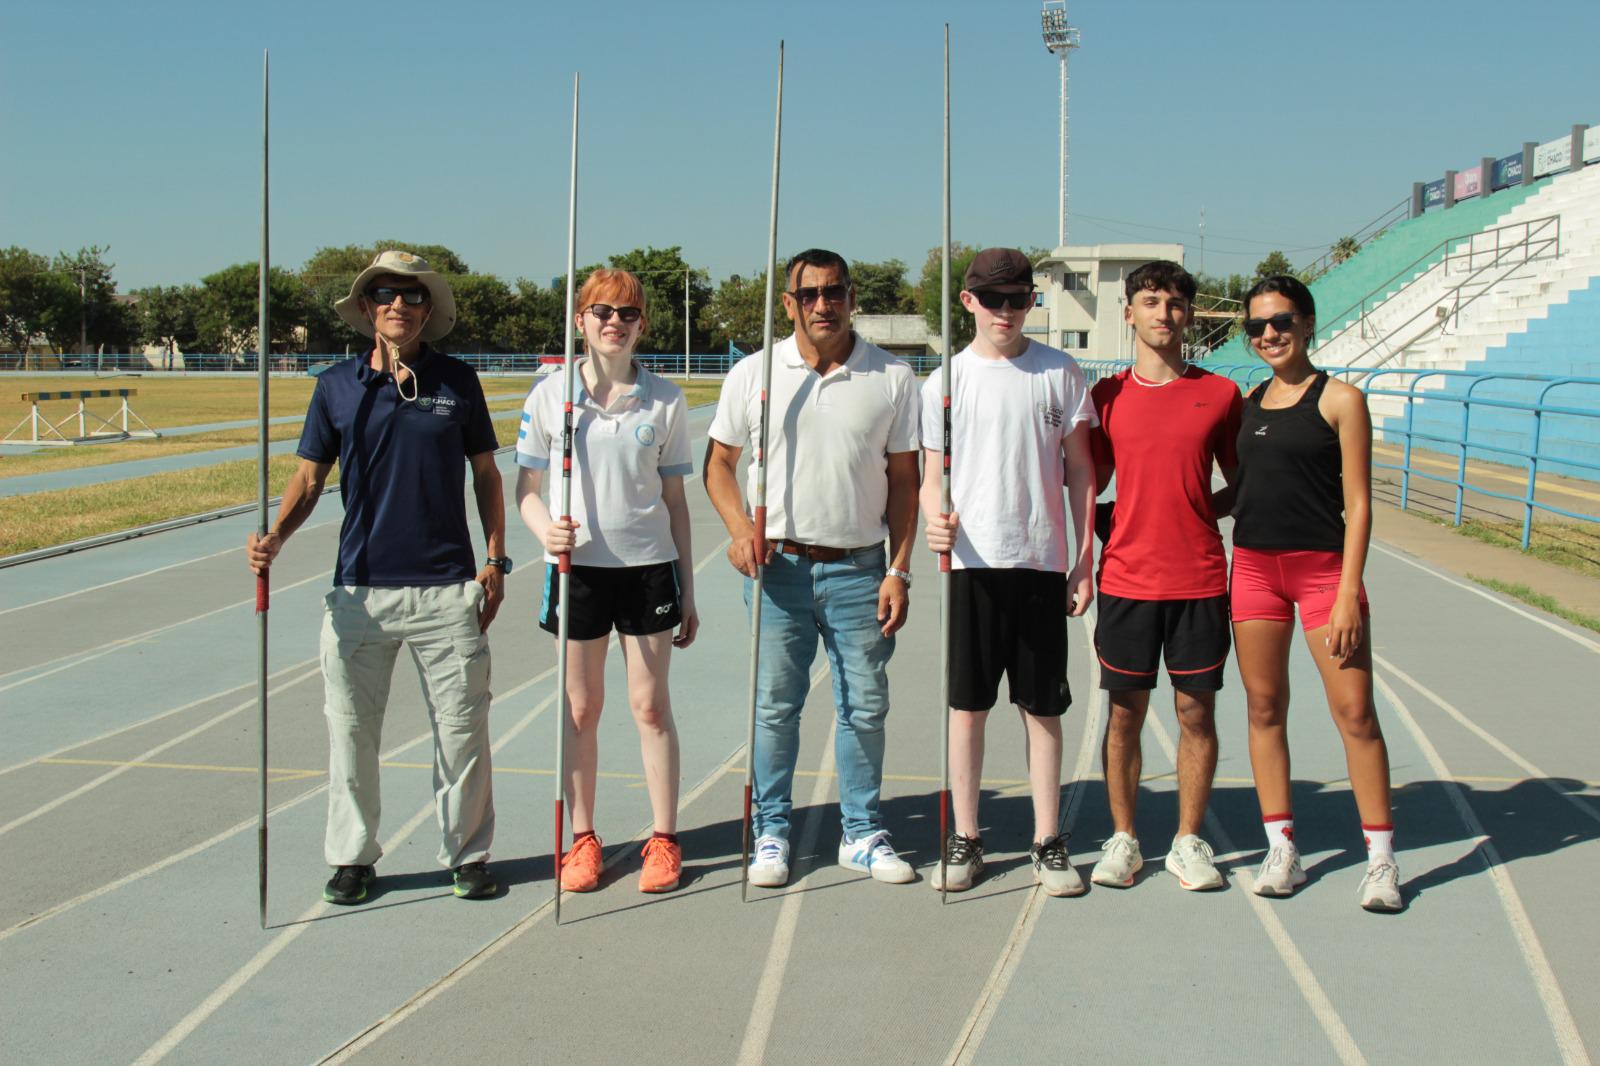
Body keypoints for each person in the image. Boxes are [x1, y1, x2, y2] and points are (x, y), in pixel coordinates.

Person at [245, 249, 505, 904]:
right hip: (360, 590)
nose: (399, 304)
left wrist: (496, 558)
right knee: (352, 733)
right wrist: (275, 537)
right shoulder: (336, 387)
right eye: (385, 293)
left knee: (462, 731)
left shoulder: (457, 382)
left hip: (446, 587)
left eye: (412, 295)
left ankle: (467, 854)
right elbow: (309, 477)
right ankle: (353, 858)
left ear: (428, 309)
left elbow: (486, 475)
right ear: (366, 308)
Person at [705, 248, 920, 888]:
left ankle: (861, 831)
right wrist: (741, 530)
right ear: (789, 302)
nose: (822, 305)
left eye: (835, 292)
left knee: (865, 707)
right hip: (780, 571)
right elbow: (719, 464)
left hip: (859, 569)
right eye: (809, 295)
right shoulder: (755, 373)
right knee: (775, 707)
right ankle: (771, 831)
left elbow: (906, 483)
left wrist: (899, 570)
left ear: (852, 296)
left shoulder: (893, 377)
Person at [919, 248, 1097, 895]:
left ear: (1031, 303)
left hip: (1042, 561)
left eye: (1018, 299)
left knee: (1042, 708)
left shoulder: (1059, 373)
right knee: (967, 709)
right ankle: (966, 836)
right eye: (993, 299)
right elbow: (931, 472)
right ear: (968, 302)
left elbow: (1080, 470)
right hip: (973, 563)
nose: (1006, 311)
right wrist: (935, 515)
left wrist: (1084, 558)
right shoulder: (943, 383)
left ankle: (1048, 840)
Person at [516, 268, 698, 894]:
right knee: (580, 707)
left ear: (642, 323)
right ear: (580, 321)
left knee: (649, 706)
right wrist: (545, 530)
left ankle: (664, 838)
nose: (614, 322)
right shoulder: (550, 397)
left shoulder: (667, 400)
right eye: (601, 311)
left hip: (647, 570)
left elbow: (675, 502)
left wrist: (688, 591)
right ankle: (584, 839)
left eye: (626, 313)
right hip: (578, 571)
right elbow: (527, 490)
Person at [1230, 274, 1400, 912]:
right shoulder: (1248, 403)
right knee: (1264, 707)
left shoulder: (1340, 400)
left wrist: (1351, 589)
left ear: (1306, 323)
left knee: (1355, 713)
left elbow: (1358, 505)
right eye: (1256, 326)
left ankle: (1381, 860)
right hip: (1252, 571)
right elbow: (1246, 492)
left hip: (1325, 574)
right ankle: (1283, 848)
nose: (1268, 334)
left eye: (1280, 321)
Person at [1087, 260, 1242, 893]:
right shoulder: (1105, 398)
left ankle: (1187, 841)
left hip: (1200, 579)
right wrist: (1106, 525)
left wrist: (1207, 510)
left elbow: (1245, 478)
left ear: (1189, 314)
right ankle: (1124, 839)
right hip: (1126, 580)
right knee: (1124, 714)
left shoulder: (1221, 395)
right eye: (1150, 301)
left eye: (1176, 303)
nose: (1163, 314)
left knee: (1195, 712)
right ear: (1128, 312)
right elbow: (1084, 484)